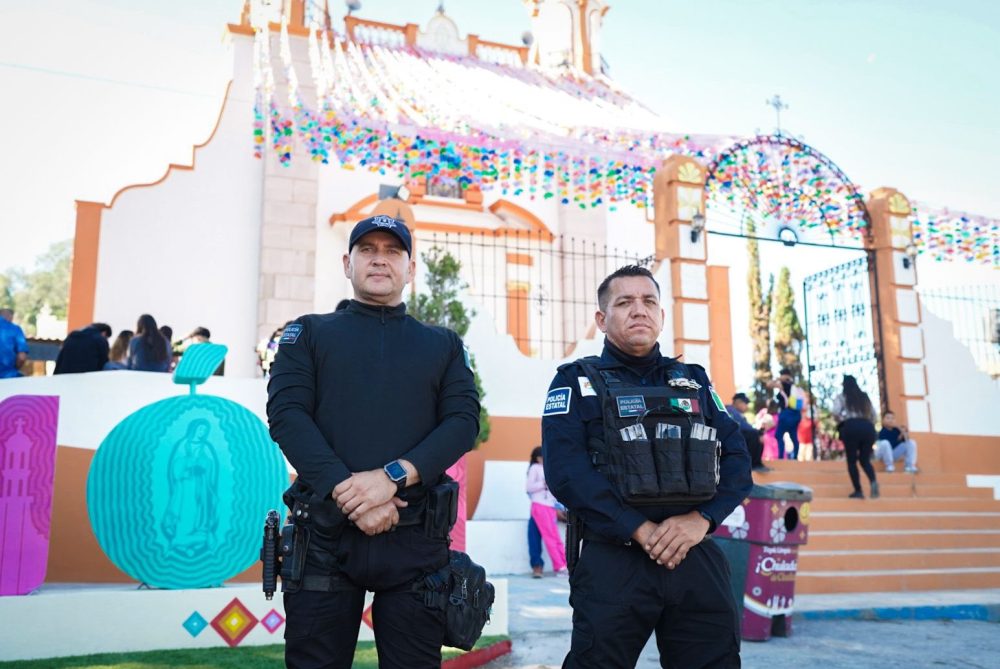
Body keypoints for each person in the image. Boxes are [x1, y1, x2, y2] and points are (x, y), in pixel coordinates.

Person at [267, 214, 480, 669]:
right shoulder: (308, 333)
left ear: (410, 268)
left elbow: (463, 422)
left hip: (415, 541)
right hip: (323, 537)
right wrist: (349, 494)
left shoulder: (443, 345)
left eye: (392, 251)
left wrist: (390, 479)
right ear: (347, 264)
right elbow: (287, 415)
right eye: (367, 250)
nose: (379, 260)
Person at [542, 265, 752, 668]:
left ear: (661, 315)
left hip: (694, 555)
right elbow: (566, 473)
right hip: (615, 561)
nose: (639, 310)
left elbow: (738, 461)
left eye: (649, 301)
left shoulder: (695, 381)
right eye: (624, 302)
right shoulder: (575, 381)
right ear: (602, 319)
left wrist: (702, 520)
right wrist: (638, 529)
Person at [832, 375, 879, 499]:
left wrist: (842, 421)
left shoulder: (842, 397)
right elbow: (874, 416)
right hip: (868, 428)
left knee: (852, 460)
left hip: (851, 426)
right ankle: (873, 481)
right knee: (865, 460)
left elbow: (835, 412)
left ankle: (858, 490)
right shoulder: (864, 397)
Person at [525, 446, 568, 577]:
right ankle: (559, 567)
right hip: (540, 505)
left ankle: (564, 564)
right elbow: (529, 487)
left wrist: (559, 506)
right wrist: (544, 483)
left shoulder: (548, 468)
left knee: (555, 537)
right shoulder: (534, 468)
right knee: (549, 537)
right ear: (538, 458)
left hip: (550, 506)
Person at [726, 392, 770, 472]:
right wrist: (758, 432)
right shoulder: (730, 410)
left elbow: (746, 427)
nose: (746, 406)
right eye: (745, 403)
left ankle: (757, 464)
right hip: (729, 440)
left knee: (756, 434)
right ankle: (754, 464)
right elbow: (742, 426)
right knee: (754, 435)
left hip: (735, 438)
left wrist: (759, 432)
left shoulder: (737, 413)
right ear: (738, 402)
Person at [768, 368, 805, 459]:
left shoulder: (784, 385)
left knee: (779, 434)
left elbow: (769, 385)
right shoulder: (794, 386)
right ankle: (795, 456)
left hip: (787, 413)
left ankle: (781, 456)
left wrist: (777, 379)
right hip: (796, 414)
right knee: (793, 435)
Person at [0, 308, 29, 379]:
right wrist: (15, 369)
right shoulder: (15, 329)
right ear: (10, 316)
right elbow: (22, 357)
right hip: (8, 376)